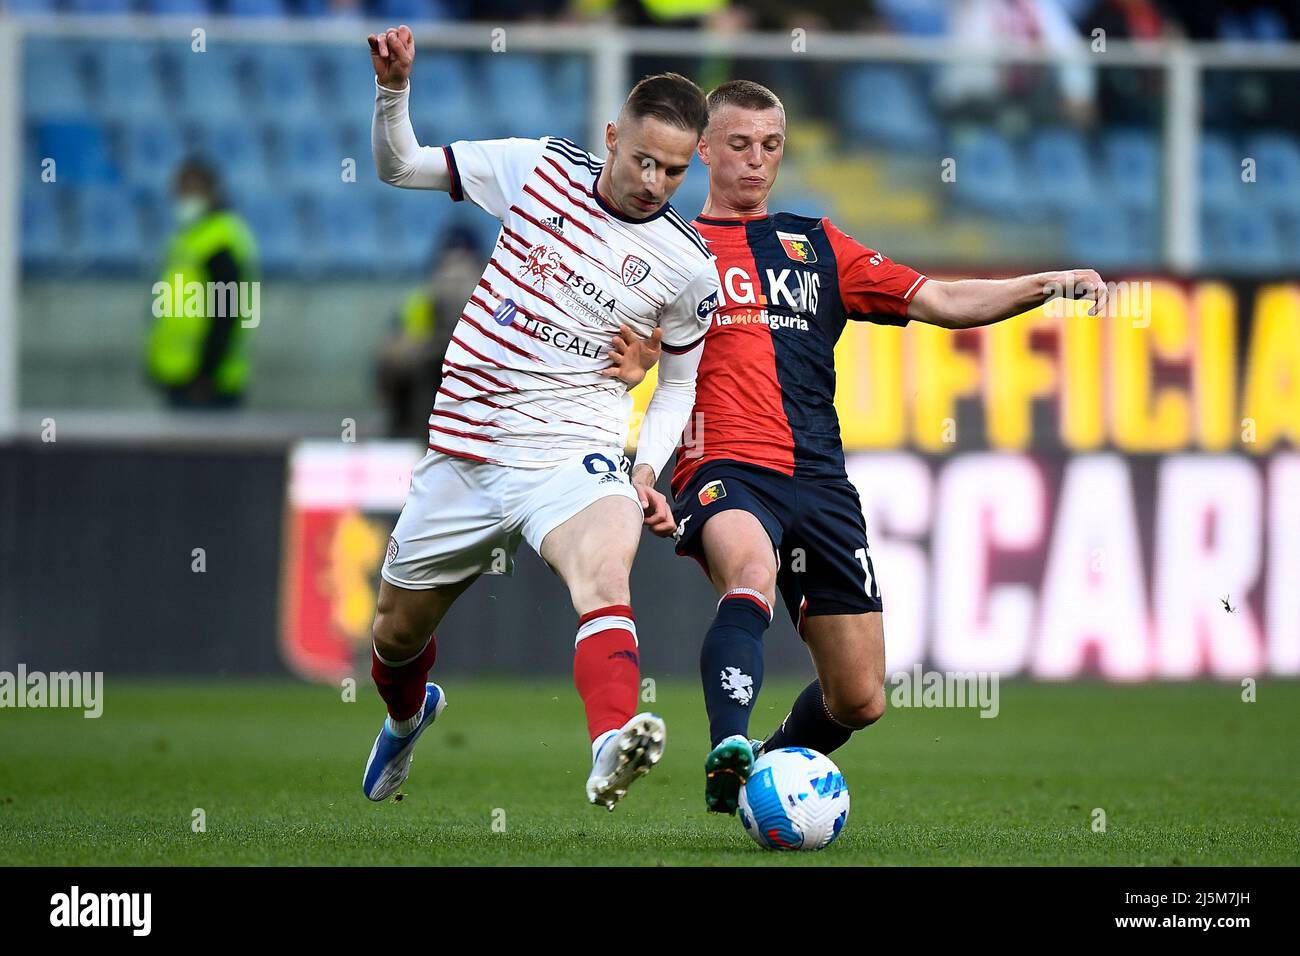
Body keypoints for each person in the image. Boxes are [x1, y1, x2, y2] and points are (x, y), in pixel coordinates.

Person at [644, 79, 1107, 813]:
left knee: (858, 698)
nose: (756, 162)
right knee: (750, 574)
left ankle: (760, 766)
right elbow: (631, 353)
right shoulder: (669, 247)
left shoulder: (818, 243)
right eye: (738, 145)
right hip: (725, 464)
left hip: (822, 483)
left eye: (771, 146)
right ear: (702, 148)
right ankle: (726, 745)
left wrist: (1046, 284)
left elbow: (942, 301)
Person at [362, 25, 721, 811]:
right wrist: (394, 91)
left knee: (604, 572)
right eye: (643, 160)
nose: (656, 181)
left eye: (674, 169)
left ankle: (608, 746)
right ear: (612, 137)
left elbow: (681, 386)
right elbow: (399, 166)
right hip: (465, 447)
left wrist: (645, 467)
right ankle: (408, 714)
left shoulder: (688, 266)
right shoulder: (539, 167)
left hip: (573, 450)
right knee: (392, 635)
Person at [146, 159, 259, 409]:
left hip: (207, 384)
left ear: (212, 191)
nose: (185, 197)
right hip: (179, 376)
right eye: (181, 190)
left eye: (192, 190)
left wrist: (207, 374)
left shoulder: (220, 241)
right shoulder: (186, 238)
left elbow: (226, 313)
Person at [375, 225, 481, 438]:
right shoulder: (423, 302)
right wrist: (428, 345)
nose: (455, 276)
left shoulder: (496, 303)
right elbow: (393, 354)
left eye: (463, 265)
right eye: (448, 265)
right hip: (426, 408)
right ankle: (405, 434)